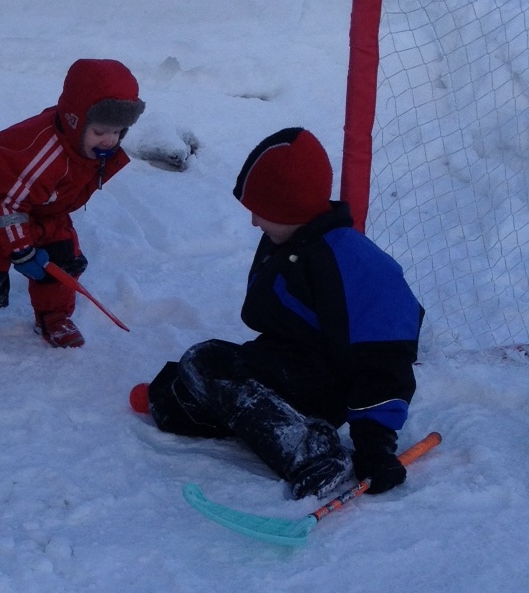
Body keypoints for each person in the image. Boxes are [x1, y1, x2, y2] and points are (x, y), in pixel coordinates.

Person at [137, 127, 423, 499]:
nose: (254, 222)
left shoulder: (354, 263)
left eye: (262, 212)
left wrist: (375, 445)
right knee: (176, 397)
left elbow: (386, 360)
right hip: (294, 367)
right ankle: (224, 406)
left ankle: (312, 456)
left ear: (293, 208)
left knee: (208, 360)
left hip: (329, 386)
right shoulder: (296, 238)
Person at [0, 59, 144, 367]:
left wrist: (35, 244)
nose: (110, 140)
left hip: (43, 206)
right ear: (73, 119)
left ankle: (53, 318)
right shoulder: (44, 153)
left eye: (119, 131)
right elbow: (6, 203)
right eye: (100, 131)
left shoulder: (86, 148)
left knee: (63, 260)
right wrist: (22, 250)